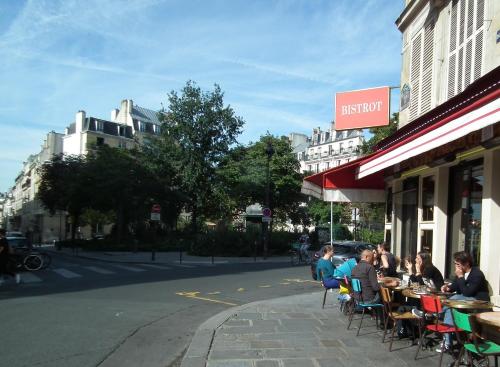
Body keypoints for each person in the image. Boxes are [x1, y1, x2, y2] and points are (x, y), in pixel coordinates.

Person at [438, 251, 489, 352]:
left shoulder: (477, 274)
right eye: (455, 264)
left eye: (458, 264)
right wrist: (447, 287)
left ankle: (439, 313)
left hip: (478, 301)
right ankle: (447, 343)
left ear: (466, 263)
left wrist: (461, 277)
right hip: (465, 300)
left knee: (455, 298)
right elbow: (454, 286)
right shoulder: (462, 273)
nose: (456, 267)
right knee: (450, 308)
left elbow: (467, 293)